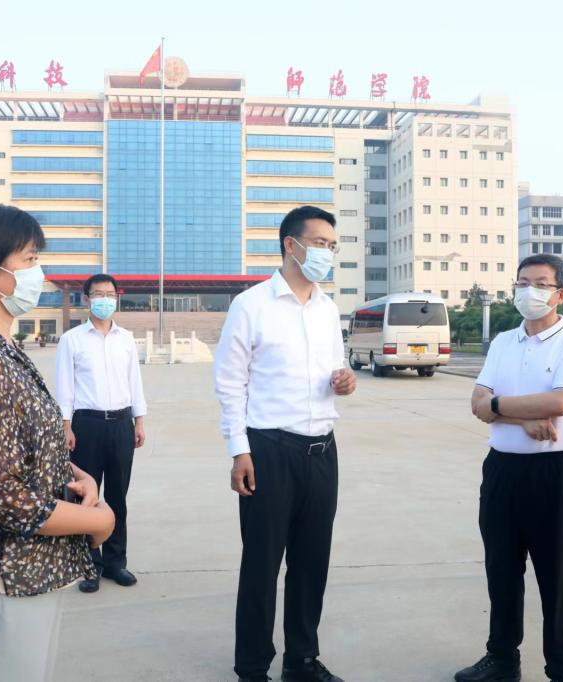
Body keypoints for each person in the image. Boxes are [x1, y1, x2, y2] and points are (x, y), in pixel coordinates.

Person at [0, 200, 114, 681]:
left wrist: (76, 476)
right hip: (2, 579)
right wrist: (100, 519)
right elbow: (7, 501)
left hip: (29, 573)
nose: (39, 272)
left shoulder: (0, 348)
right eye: (30, 260)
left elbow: (18, 446)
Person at [215, 205, 356, 682]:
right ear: (290, 245)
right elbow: (230, 383)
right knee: (262, 565)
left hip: (322, 450)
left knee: (312, 563)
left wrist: (344, 380)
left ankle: (302, 659)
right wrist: (239, 450)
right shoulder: (251, 305)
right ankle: (253, 667)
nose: (327, 253)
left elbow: (335, 371)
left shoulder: (327, 309)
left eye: (332, 246)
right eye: (319, 244)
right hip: (269, 451)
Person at [460, 255, 563, 682]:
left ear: (560, 294)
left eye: (540, 283)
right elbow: (476, 402)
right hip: (502, 470)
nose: (528, 291)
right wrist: (520, 418)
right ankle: (502, 658)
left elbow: (561, 401)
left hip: (554, 473)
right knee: (501, 571)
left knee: (558, 578)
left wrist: (498, 406)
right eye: (522, 283)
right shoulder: (504, 341)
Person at [56, 272, 147, 593]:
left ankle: (115, 562)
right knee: (87, 496)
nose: (105, 299)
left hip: (121, 424)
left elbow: (134, 381)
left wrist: (139, 421)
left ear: (116, 297)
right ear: (87, 299)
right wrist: (66, 425)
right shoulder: (72, 339)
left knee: (118, 496)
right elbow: (65, 386)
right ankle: (89, 565)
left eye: (110, 294)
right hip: (87, 425)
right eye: (98, 294)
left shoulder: (126, 338)